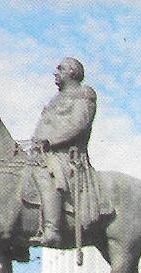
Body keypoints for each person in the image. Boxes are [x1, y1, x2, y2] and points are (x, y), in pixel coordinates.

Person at [31, 57, 111, 248]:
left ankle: (52, 230)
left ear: (72, 72)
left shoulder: (84, 94)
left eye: (60, 69)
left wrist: (50, 141)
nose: (55, 72)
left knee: (45, 175)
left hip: (67, 156)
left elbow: (79, 124)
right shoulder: (54, 100)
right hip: (44, 152)